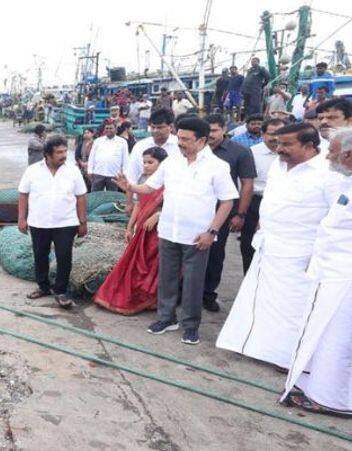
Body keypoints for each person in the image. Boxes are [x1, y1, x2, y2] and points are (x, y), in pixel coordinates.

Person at [216, 123, 339, 369]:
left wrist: (320, 254)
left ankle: (289, 357)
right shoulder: (278, 165)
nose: (279, 148)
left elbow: (336, 218)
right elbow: (271, 199)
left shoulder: (329, 173)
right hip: (270, 246)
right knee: (262, 301)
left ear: (309, 145)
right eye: (278, 143)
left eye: (286, 144)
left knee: (294, 307)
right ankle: (257, 347)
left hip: (302, 253)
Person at [116, 118, 238, 345]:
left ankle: (191, 326)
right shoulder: (172, 163)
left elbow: (227, 202)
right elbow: (150, 187)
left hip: (197, 235)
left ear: (201, 140)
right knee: (167, 278)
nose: (179, 142)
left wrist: (211, 232)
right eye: (179, 137)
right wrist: (130, 187)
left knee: (193, 282)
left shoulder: (217, 167)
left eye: (185, 139)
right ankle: (166, 318)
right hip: (169, 231)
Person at [281, 128, 352, 416]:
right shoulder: (347, 183)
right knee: (324, 334)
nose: (327, 156)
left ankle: (334, 398)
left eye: (332, 151)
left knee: (339, 337)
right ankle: (317, 386)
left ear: (347, 155)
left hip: (344, 278)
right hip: (331, 273)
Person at [93, 147, 167, 315]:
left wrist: (158, 216)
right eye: (144, 162)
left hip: (158, 232)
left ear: (162, 165)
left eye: (151, 162)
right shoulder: (144, 180)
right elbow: (139, 204)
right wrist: (129, 227)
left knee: (153, 266)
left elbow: (174, 207)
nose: (146, 166)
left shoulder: (169, 182)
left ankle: (151, 299)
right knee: (134, 264)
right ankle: (132, 296)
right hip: (142, 228)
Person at [18, 134, 88, 309]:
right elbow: (23, 195)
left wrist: (82, 221)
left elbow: (81, 197)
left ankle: (61, 291)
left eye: (65, 151)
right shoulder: (32, 170)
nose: (64, 155)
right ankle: (43, 287)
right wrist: (21, 218)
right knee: (40, 255)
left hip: (66, 222)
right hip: (38, 222)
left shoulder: (72, 170)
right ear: (48, 154)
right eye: (59, 152)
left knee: (64, 256)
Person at [202, 114, 257, 312]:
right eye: (206, 131)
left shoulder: (240, 152)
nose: (210, 135)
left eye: (214, 130)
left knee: (216, 253)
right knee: (190, 251)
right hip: (195, 208)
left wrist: (240, 214)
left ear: (224, 129)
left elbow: (247, 184)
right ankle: (187, 291)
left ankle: (208, 294)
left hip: (223, 211)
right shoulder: (196, 149)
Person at [242, 118, 285, 272]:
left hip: (282, 204)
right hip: (255, 203)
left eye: (279, 134)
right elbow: (245, 183)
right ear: (263, 134)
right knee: (250, 245)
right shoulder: (251, 153)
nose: (275, 138)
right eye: (271, 134)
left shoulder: (291, 153)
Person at [126, 108, 178, 187]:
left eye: (160, 127)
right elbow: (131, 176)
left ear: (170, 126)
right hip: (144, 193)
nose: (155, 131)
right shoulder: (140, 146)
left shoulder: (179, 146)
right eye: (153, 127)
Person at [88, 122, 129, 191]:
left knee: (113, 198)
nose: (108, 130)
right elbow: (92, 156)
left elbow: (125, 159)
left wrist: (125, 174)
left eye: (111, 128)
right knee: (96, 196)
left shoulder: (122, 142)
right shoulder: (98, 141)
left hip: (114, 175)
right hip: (98, 173)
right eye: (106, 128)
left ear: (116, 129)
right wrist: (90, 170)